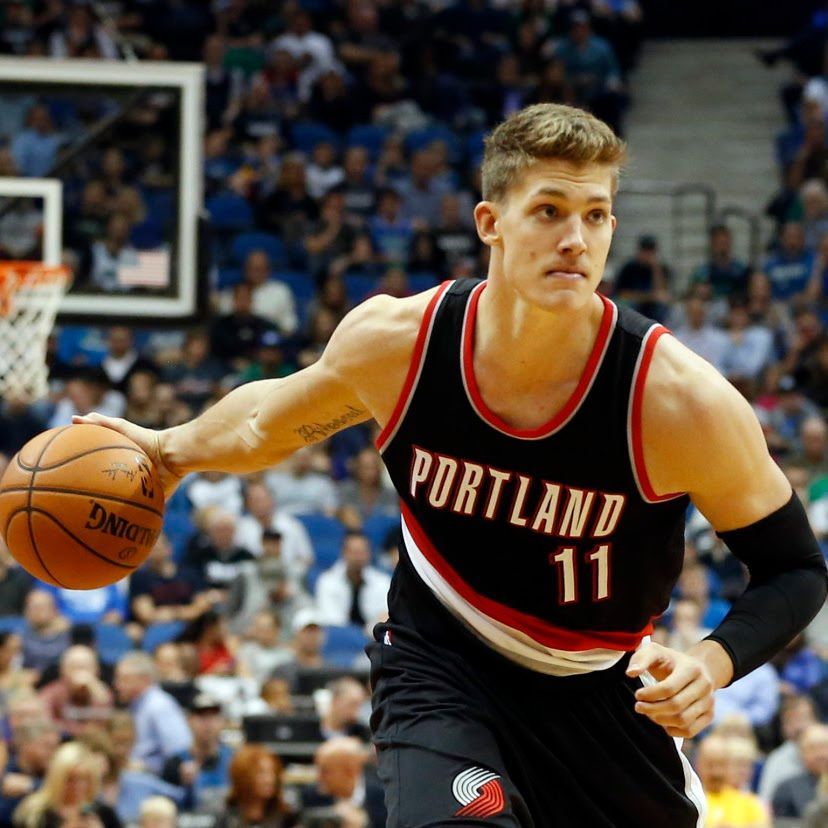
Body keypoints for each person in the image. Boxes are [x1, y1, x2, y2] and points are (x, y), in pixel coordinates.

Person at [76, 103, 828, 826]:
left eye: (595, 215)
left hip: (599, 690)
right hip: (442, 664)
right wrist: (166, 450)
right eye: (549, 210)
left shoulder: (677, 401)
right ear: (490, 223)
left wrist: (714, 660)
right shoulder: (400, 343)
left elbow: (796, 569)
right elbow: (267, 421)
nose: (576, 237)